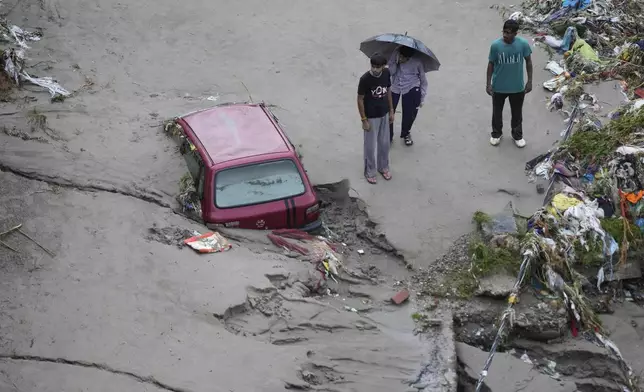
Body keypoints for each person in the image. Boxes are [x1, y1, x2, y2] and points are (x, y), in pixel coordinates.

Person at [486, 19, 533, 148]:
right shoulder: (495, 46)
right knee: (497, 112)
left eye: (509, 33)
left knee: (517, 113)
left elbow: (528, 62)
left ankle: (517, 135)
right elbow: (490, 64)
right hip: (499, 87)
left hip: (517, 87)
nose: (506, 35)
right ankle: (496, 134)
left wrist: (529, 81)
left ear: (516, 33)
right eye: (504, 32)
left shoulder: (523, 44)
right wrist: (488, 84)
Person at [357, 53, 394, 184]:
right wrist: (364, 119)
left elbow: (388, 91)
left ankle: (383, 167)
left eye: (378, 66)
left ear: (383, 66)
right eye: (373, 66)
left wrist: (391, 110)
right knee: (370, 147)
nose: (375, 69)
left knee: (385, 144)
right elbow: (360, 99)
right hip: (371, 117)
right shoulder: (365, 79)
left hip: (384, 114)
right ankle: (370, 171)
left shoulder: (386, 73)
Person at [388, 46, 428, 146]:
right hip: (395, 86)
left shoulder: (417, 62)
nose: (402, 59)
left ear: (410, 57)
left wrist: (422, 98)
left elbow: (423, 81)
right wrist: (395, 63)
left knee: (410, 113)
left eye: (405, 58)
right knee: (388, 111)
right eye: (401, 56)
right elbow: (391, 72)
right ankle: (388, 135)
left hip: (411, 86)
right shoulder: (395, 55)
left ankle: (406, 133)